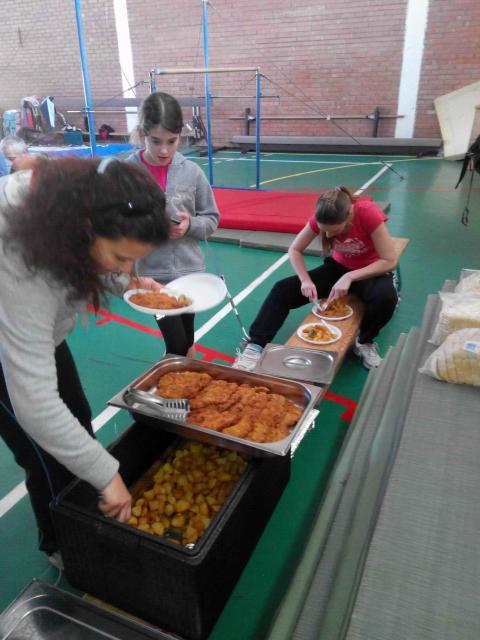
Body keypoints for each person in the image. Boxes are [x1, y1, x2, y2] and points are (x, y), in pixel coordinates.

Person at [0, 156, 170, 566]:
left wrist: (126, 280)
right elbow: (36, 405)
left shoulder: (77, 201)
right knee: (41, 452)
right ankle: (58, 542)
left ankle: (77, 512)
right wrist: (107, 475)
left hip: (33, 324)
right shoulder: (21, 263)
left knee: (75, 419)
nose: (126, 268)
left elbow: (90, 261)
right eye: (120, 256)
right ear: (85, 229)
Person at [235, 186, 398, 370]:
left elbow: (389, 260)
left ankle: (365, 342)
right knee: (282, 290)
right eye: (324, 231)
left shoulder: (367, 213)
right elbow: (295, 249)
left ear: (349, 217)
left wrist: (349, 276)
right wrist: (305, 280)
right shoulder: (321, 217)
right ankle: (255, 345)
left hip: (370, 270)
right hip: (337, 268)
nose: (328, 235)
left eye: (334, 231)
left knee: (386, 298)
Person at [127, 92, 220, 358]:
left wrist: (190, 225)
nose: (164, 151)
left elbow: (211, 219)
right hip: (153, 278)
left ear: (180, 135)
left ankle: (185, 374)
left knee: (186, 341)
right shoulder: (128, 172)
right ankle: (175, 374)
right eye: (155, 141)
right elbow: (117, 227)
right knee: (176, 344)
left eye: (172, 141)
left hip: (191, 275)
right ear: (143, 134)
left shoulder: (192, 172)